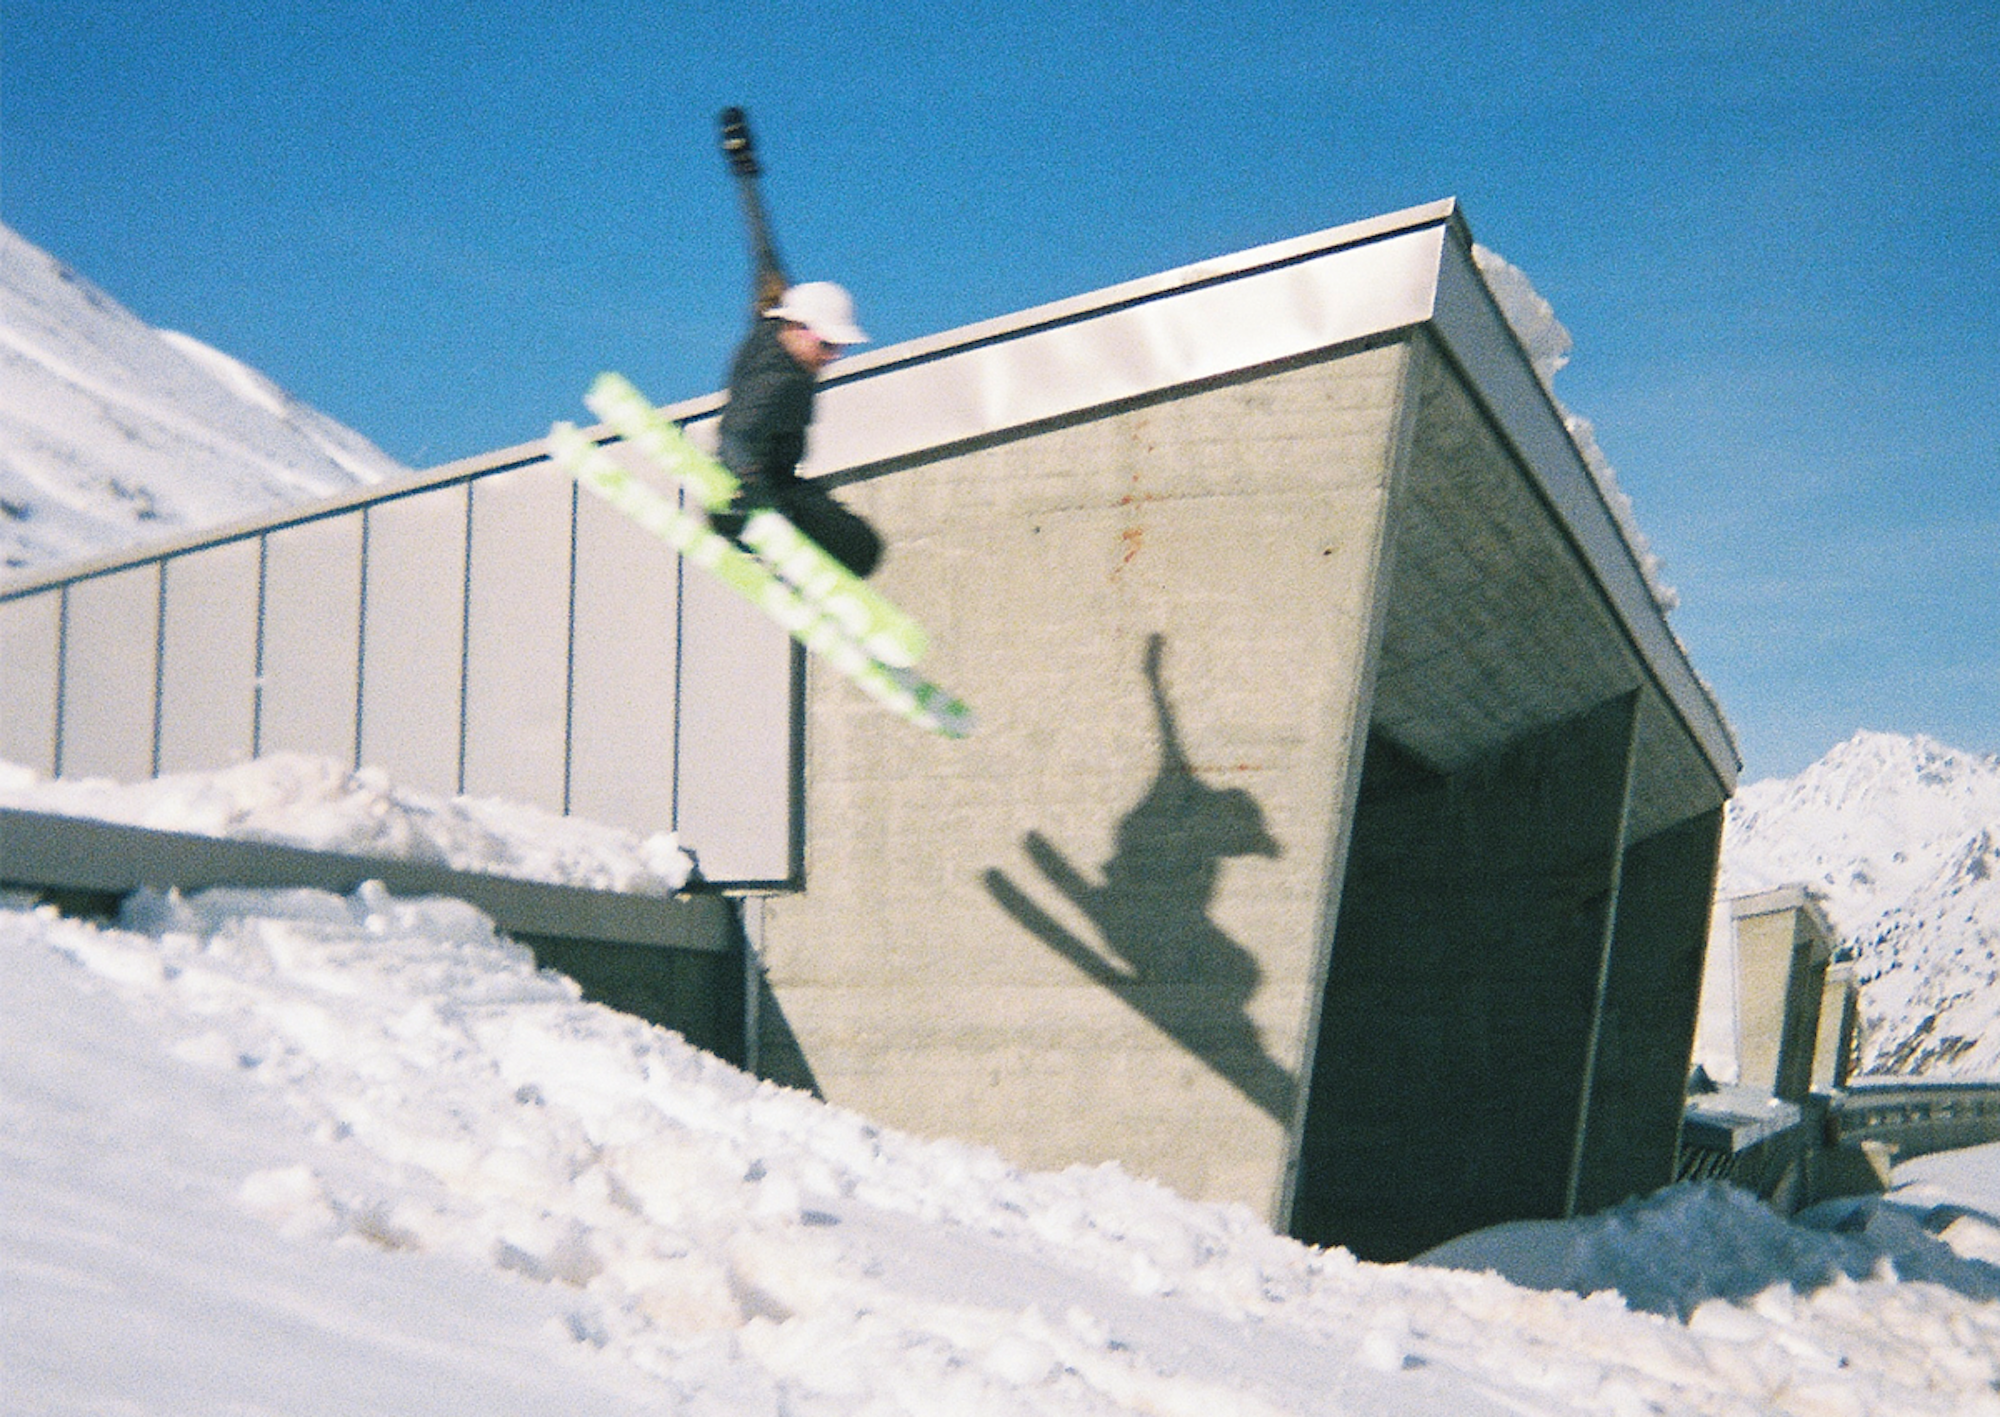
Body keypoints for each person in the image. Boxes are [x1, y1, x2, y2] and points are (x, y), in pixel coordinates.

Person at [712, 281, 883, 578]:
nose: (833, 356)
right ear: (795, 327)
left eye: (839, 346)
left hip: (770, 485)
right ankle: (754, 534)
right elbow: (738, 431)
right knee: (863, 548)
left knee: (859, 543)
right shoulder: (781, 380)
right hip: (765, 492)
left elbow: (769, 275)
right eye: (826, 344)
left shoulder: (768, 334)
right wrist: (748, 487)